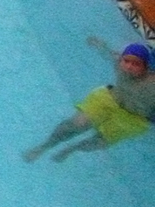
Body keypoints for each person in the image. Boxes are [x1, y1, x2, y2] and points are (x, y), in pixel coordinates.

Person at [24, 38, 155, 162]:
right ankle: (43, 147)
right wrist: (98, 43)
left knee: (99, 142)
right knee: (74, 125)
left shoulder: (151, 83)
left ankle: (73, 149)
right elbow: (108, 52)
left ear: (146, 67)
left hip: (134, 117)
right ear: (121, 60)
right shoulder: (119, 63)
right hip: (109, 100)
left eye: (136, 64)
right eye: (126, 61)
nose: (129, 67)